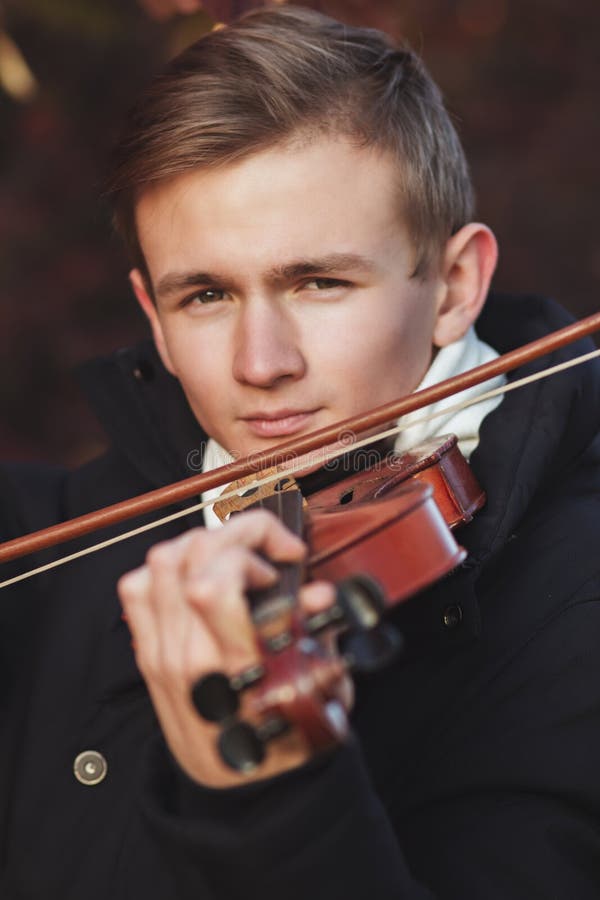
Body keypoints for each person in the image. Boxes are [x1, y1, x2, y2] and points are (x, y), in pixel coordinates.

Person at [1, 5, 600, 898]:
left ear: (453, 287)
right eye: (204, 295)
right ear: (153, 321)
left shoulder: (574, 594)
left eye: (319, 283)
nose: (261, 364)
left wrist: (274, 795)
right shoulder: (49, 535)